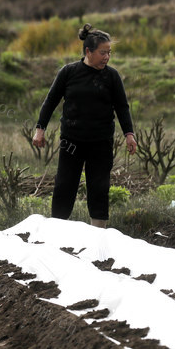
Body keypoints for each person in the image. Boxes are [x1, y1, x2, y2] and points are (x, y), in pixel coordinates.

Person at [33, 23, 137, 228]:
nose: (107, 57)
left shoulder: (112, 76)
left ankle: (98, 237)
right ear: (88, 51)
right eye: (102, 53)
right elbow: (50, 101)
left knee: (99, 188)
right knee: (64, 186)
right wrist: (39, 129)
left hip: (101, 143)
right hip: (71, 141)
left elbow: (122, 107)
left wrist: (129, 134)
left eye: (109, 53)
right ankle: (57, 232)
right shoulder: (68, 72)